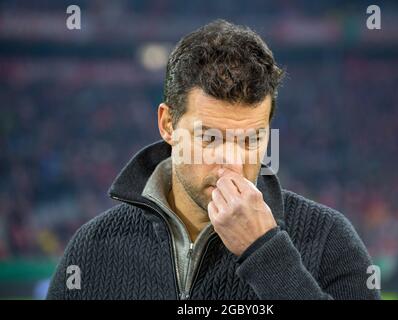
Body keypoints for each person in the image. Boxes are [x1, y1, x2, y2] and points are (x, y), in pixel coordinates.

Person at [47, 19, 380, 300]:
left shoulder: (327, 240)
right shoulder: (94, 250)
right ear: (167, 124)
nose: (231, 163)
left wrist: (266, 254)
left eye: (250, 139)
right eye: (209, 138)